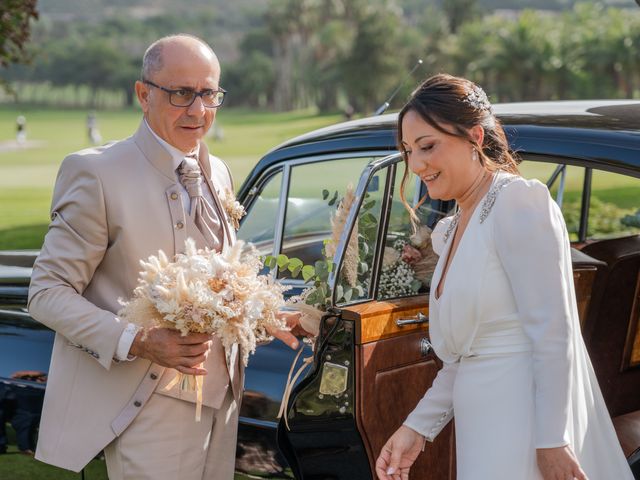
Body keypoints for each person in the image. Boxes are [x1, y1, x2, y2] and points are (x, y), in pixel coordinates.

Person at [28, 34, 302, 480]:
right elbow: (46, 292)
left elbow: (215, 285)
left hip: (224, 401)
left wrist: (265, 315)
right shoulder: (96, 172)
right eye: (181, 93)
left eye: (209, 93)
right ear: (143, 94)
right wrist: (138, 340)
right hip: (144, 405)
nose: (198, 110)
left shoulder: (217, 170)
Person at [375, 74, 633, 480]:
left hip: (525, 427)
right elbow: (465, 358)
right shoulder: (453, 226)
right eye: (408, 151)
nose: (416, 164)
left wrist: (551, 440)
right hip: (483, 430)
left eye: (427, 146)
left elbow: (554, 332)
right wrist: (416, 428)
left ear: (475, 136)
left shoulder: (517, 202)